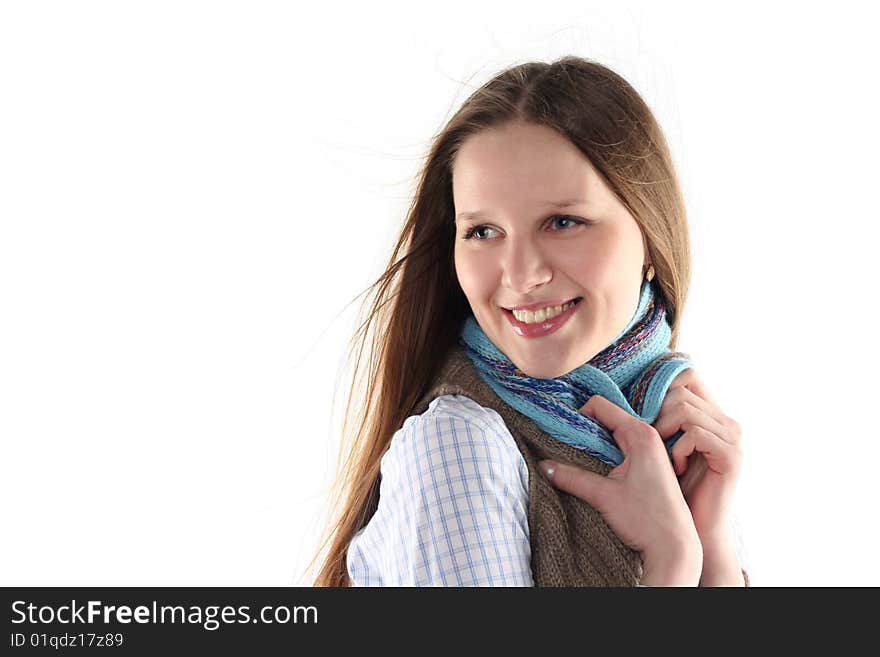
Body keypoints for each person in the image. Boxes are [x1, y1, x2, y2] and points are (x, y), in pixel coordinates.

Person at [308, 56, 749, 587]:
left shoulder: (663, 432)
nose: (519, 275)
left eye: (563, 223)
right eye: (483, 231)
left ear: (651, 239)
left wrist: (710, 544)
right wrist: (672, 561)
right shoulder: (458, 449)